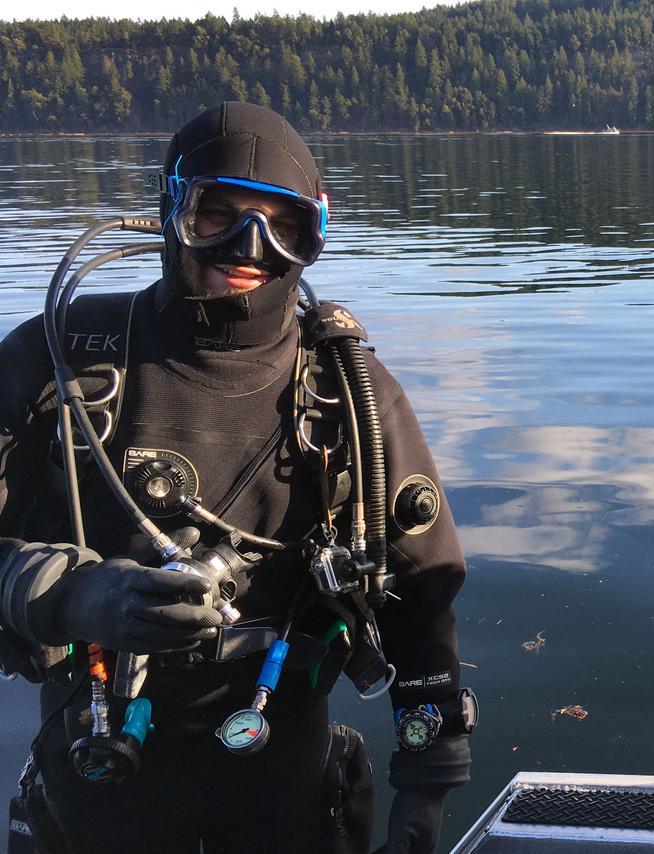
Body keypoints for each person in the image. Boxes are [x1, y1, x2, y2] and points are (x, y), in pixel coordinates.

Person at [0, 102, 472, 854]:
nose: (250, 246)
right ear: (171, 210)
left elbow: (421, 599)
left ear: (315, 235)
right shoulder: (58, 361)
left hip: (282, 789)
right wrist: (70, 594)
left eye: (285, 225)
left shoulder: (347, 392)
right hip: (93, 783)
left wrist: (426, 787)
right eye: (216, 215)